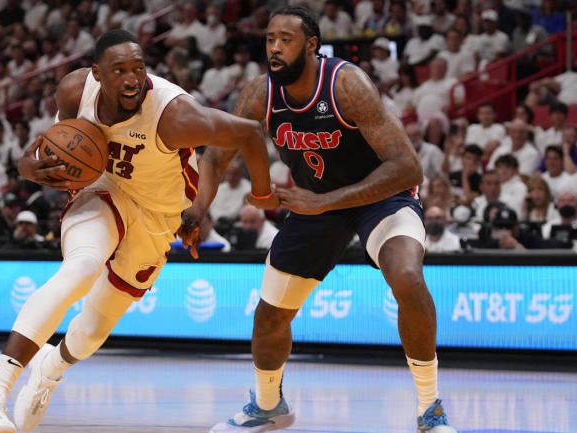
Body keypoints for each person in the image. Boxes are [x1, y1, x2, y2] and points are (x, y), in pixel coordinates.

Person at [0, 29, 277, 433]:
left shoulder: (175, 115)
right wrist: (26, 165)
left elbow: (247, 133)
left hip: (159, 215)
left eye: (138, 69)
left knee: (94, 329)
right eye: (120, 70)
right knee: (82, 267)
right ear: (97, 73)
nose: (132, 79)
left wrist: (257, 195)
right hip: (104, 188)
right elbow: (50, 147)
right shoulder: (76, 91)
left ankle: (49, 368)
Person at [178, 6, 456, 433]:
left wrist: (325, 201)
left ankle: (430, 409)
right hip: (316, 204)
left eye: (285, 40)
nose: (274, 48)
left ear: (311, 45)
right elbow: (215, 158)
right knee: (269, 316)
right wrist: (198, 209)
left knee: (406, 276)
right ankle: (269, 406)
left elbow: (407, 168)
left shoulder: (347, 85)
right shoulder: (259, 94)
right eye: (270, 39)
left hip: (380, 196)